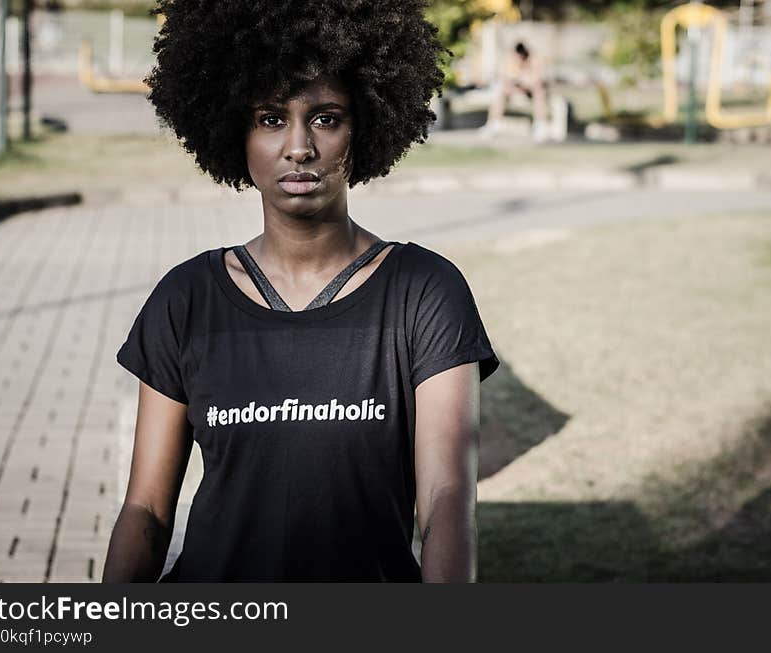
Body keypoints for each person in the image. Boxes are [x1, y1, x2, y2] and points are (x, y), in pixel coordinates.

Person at [102, 0, 500, 583]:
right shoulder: (186, 299)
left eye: (326, 117)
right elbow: (147, 512)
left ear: (363, 126)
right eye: (269, 118)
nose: (298, 147)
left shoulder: (425, 293)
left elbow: (445, 503)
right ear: (235, 131)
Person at [479, 41, 550, 143]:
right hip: (515, 90)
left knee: (539, 91)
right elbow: (504, 77)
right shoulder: (510, 60)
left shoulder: (534, 60)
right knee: (500, 91)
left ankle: (540, 124)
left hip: (532, 90)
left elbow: (539, 79)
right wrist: (517, 81)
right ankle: (493, 123)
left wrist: (526, 80)